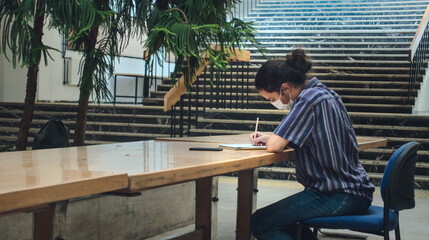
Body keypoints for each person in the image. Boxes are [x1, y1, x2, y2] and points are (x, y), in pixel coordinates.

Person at [248, 49, 374, 240]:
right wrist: (271, 137)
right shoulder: (325, 93)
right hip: (353, 190)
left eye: (272, 99)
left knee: (261, 223)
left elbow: (274, 146)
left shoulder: (307, 100)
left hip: (337, 194)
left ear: (285, 88)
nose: (275, 103)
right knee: (281, 220)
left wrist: (273, 139)